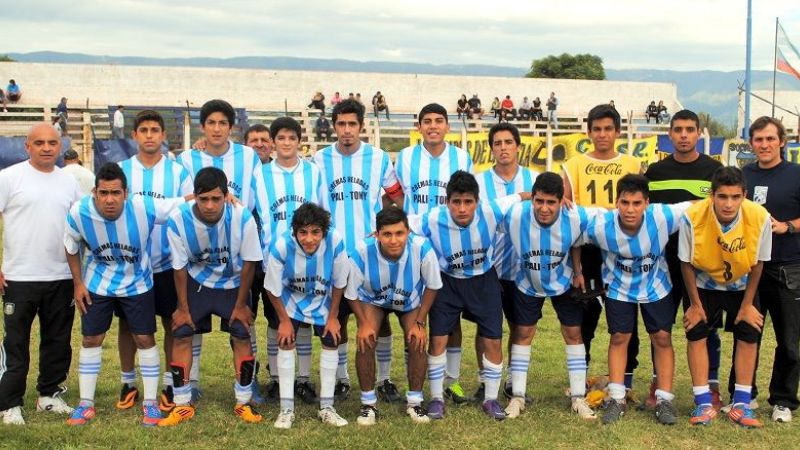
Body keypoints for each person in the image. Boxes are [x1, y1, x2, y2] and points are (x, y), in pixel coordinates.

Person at [63, 163, 188, 427]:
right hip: (98, 283)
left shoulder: (144, 207)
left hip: (138, 282)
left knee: (144, 338)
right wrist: (78, 283)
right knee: (91, 338)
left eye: (116, 193)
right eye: (104, 193)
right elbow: (70, 245)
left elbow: (183, 203)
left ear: (126, 193)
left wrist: (220, 197)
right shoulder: (79, 212)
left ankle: (151, 405)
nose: (109, 200)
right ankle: (86, 404)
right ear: (95, 192)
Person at [409, 170, 530, 421]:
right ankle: (437, 399)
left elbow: (520, 196)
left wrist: (552, 198)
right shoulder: (432, 218)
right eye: (456, 202)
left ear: (477, 201)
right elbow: (402, 223)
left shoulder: (490, 211)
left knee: (492, 341)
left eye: (468, 202)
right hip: (447, 283)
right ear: (447, 202)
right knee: (439, 339)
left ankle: (491, 399)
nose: (462, 209)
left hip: (483, 281)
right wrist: (377, 231)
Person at [313, 99, 405, 403]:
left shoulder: (378, 158)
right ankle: (341, 379)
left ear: (361, 126)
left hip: (370, 254)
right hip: (334, 254)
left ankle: (384, 378)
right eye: (341, 124)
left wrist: (384, 227)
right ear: (333, 126)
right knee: (336, 316)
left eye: (353, 124)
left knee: (381, 317)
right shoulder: (320, 160)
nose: (347, 130)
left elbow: (396, 196)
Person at [159, 167, 263, 426]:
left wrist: (241, 304)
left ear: (226, 196)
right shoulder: (177, 220)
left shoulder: (242, 217)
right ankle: (181, 403)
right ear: (194, 196)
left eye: (216, 199)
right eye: (203, 198)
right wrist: (182, 308)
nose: (209, 205)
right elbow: (179, 267)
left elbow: (250, 262)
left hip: (233, 283)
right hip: (198, 283)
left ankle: (243, 401)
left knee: (241, 332)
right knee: (182, 332)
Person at [583, 174, 689, 425]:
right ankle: (616, 398)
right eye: (625, 203)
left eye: (637, 203)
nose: (630, 210)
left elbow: (700, 205)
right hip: (619, 288)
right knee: (620, 337)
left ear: (647, 203)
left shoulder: (663, 216)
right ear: (616, 202)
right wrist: (577, 270)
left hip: (656, 286)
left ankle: (664, 400)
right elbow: (572, 228)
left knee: (662, 337)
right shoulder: (600, 224)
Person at [176, 99, 261, 400]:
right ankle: (192, 382)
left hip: (238, 253)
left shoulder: (249, 156)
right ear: (202, 127)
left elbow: (258, 193)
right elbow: (184, 200)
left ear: (231, 127)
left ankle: (249, 383)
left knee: (243, 320)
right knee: (191, 326)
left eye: (222, 123)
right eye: (210, 123)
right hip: (200, 254)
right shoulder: (188, 159)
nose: (216, 128)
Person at [0, 123, 81, 426]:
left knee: (58, 340)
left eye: (52, 143)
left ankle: (49, 396)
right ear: (27, 146)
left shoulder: (69, 182)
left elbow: (78, 228)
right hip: (19, 277)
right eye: (39, 143)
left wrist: (78, 276)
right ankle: (9, 403)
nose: (46, 148)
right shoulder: (9, 178)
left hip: (60, 275)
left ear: (60, 146)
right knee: (16, 343)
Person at [502, 172, 601, 419]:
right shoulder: (515, 214)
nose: (544, 208)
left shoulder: (576, 216)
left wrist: (578, 270)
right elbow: (484, 211)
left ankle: (578, 398)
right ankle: (517, 397)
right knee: (523, 334)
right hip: (528, 282)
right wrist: (522, 196)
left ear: (561, 201)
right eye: (539, 201)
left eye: (551, 202)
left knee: (573, 334)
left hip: (563, 283)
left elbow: (587, 233)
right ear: (532, 199)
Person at [643, 109, 724, 410]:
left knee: (704, 327)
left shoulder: (714, 172)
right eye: (678, 130)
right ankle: (657, 382)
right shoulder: (654, 173)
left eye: (690, 129)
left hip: (702, 265)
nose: (684, 135)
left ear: (699, 133)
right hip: (663, 264)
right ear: (670, 134)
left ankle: (710, 386)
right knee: (659, 328)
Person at [680, 166, 772, 428]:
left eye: (735, 197)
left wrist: (747, 306)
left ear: (744, 195)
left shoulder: (760, 216)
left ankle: (742, 404)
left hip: (742, 284)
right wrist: (695, 305)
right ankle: (703, 402)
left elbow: (759, 264)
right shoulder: (693, 216)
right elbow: (685, 263)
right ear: (712, 195)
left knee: (748, 330)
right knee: (696, 330)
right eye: (722, 197)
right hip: (704, 283)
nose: (728, 204)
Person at [562, 104, 641, 402]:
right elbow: (568, 214)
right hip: (589, 251)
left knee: (624, 316)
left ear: (618, 132)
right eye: (597, 129)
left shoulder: (633, 164)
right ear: (588, 132)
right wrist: (576, 265)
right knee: (586, 315)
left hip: (624, 253)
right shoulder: (574, 164)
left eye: (608, 129)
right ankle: (579, 378)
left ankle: (625, 380)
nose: (603, 134)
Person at [116, 110, 193, 414]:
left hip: (167, 262)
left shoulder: (177, 173)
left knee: (172, 322)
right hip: (130, 266)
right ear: (134, 135)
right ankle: (127, 381)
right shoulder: (121, 170)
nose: (149, 135)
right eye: (144, 130)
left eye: (155, 130)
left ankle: (169, 384)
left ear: (164, 136)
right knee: (127, 325)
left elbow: (188, 211)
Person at [395, 103, 473, 403]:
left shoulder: (460, 157)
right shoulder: (405, 157)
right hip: (413, 247)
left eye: (439, 121)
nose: (432, 126)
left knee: (449, 318)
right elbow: (397, 194)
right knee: (413, 314)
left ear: (447, 126)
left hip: (449, 247)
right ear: (419, 127)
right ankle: (411, 381)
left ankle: (451, 381)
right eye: (426, 121)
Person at [347, 206, 441, 425]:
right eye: (387, 234)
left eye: (399, 233)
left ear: (408, 232)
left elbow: (433, 286)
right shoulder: (361, 251)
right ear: (377, 234)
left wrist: (420, 321)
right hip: (373, 299)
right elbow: (351, 292)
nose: (393, 240)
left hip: (410, 302)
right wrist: (362, 324)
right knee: (366, 339)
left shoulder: (422, 248)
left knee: (417, 338)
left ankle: (415, 403)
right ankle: (368, 404)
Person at [253, 116, 322, 404]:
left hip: (307, 259)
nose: (286, 143)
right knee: (275, 321)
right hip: (273, 260)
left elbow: (320, 213)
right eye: (280, 138)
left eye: (291, 138)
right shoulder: (260, 174)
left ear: (299, 142)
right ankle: (277, 379)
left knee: (303, 321)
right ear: (273, 142)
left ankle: (303, 380)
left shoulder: (313, 172)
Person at [264, 203, 350, 429]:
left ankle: (327, 407)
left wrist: (333, 317)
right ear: (294, 232)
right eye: (303, 232)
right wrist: (283, 321)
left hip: (324, 299)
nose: (309, 239)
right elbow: (272, 288)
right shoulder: (281, 245)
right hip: (290, 299)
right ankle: (286, 409)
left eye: (315, 232)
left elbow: (340, 282)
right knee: (285, 340)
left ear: (324, 231)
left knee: (332, 339)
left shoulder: (336, 241)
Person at [475, 123, 538, 416]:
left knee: (518, 325)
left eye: (508, 142)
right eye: (497, 143)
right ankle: (483, 378)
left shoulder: (533, 179)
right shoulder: (479, 182)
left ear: (517, 146)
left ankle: (513, 379)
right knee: (486, 326)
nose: (503, 147)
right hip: (489, 266)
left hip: (522, 268)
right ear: (492, 148)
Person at [743, 116, 800, 423]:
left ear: (782, 141)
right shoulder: (744, 175)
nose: (764, 145)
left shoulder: (796, 174)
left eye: (769, 139)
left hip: (789, 268)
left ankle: (784, 400)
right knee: (747, 333)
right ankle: (743, 394)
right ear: (751, 143)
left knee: (788, 340)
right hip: (751, 268)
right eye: (758, 139)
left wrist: (788, 226)